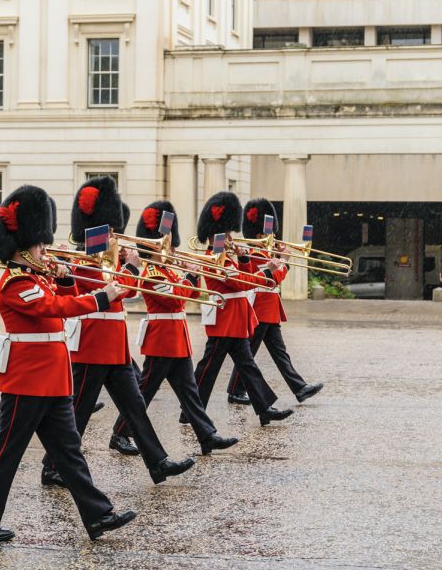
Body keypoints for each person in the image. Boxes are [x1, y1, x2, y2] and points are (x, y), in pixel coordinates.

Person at [0, 185, 136, 542]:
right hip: (28, 381)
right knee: (6, 452)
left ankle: (97, 515)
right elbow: (54, 309)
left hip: (52, 380)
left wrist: (68, 279)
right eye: (40, 245)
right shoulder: (15, 283)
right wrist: (101, 298)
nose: (46, 249)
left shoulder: (37, 279)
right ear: (23, 247)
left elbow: (63, 296)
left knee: (69, 453)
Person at [41, 177, 194, 487]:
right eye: (109, 228)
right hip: (93, 344)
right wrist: (132, 269)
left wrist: (126, 266)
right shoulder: (82, 260)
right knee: (78, 412)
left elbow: (125, 292)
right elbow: (108, 291)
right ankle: (52, 466)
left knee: (135, 406)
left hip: (114, 347)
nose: (114, 234)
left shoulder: (106, 259)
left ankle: (158, 462)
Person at [109, 201, 238, 457]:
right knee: (144, 391)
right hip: (162, 339)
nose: (168, 246)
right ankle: (120, 433)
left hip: (176, 338)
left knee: (189, 392)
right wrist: (189, 276)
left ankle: (206, 435)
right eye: (163, 242)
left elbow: (190, 293)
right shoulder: (153, 273)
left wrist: (190, 275)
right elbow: (176, 299)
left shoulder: (166, 269)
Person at [187, 192, 294, 426]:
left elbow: (241, 277)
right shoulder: (216, 257)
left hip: (235, 318)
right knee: (208, 369)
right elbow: (240, 283)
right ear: (217, 234)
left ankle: (264, 408)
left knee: (247, 366)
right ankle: (190, 411)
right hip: (224, 319)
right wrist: (267, 271)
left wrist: (244, 260)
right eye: (226, 234)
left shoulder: (226, 256)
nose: (230, 239)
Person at [225, 198, 323, 405]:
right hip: (260, 306)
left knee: (279, 353)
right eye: (269, 232)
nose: (273, 235)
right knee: (248, 353)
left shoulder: (264, 251)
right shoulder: (256, 252)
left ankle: (299, 388)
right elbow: (270, 280)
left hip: (269, 308)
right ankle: (235, 390)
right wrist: (285, 263)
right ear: (260, 233)